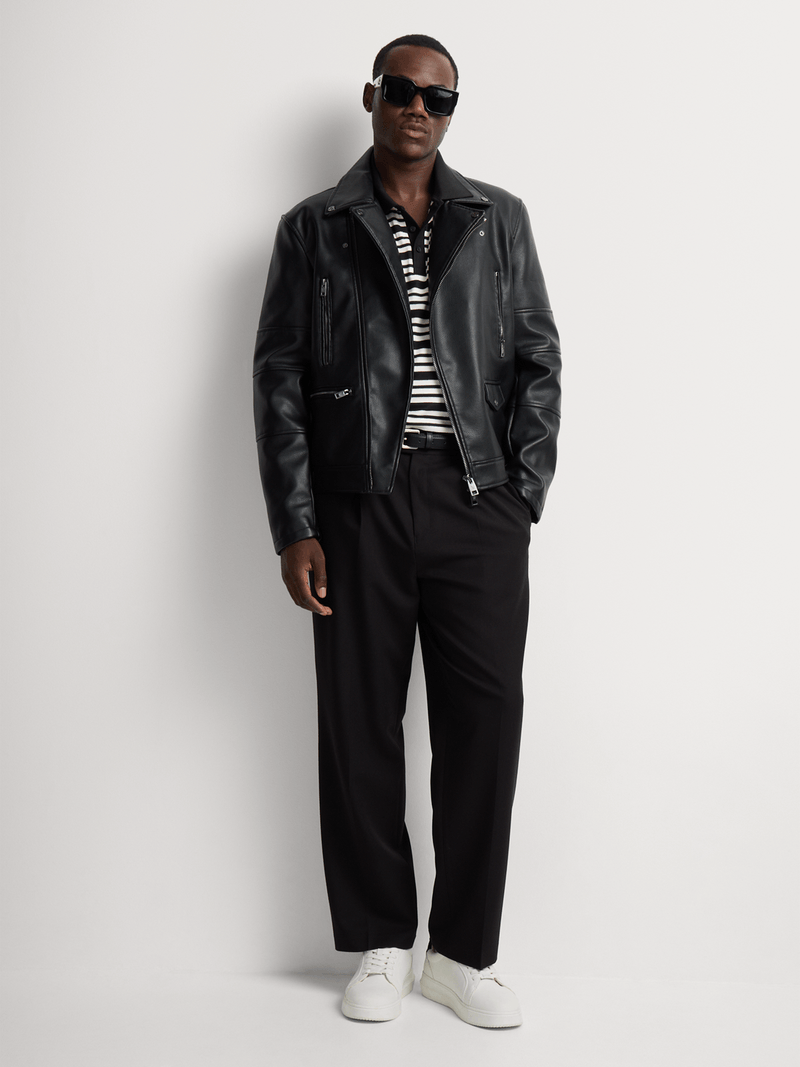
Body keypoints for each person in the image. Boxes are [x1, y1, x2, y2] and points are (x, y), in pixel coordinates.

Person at [253, 34, 561, 1027]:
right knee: (358, 725)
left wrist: (520, 492)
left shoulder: (497, 219)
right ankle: (381, 942)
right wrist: (296, 522)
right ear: (371, 96)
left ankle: (460, 954)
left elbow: (537, 359)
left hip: (477, 504)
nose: (418, 109)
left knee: (485, 727)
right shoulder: (314, 227)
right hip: (358, 502)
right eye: (401, 90)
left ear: (451, 110)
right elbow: (279, 380)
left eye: (438, 97)